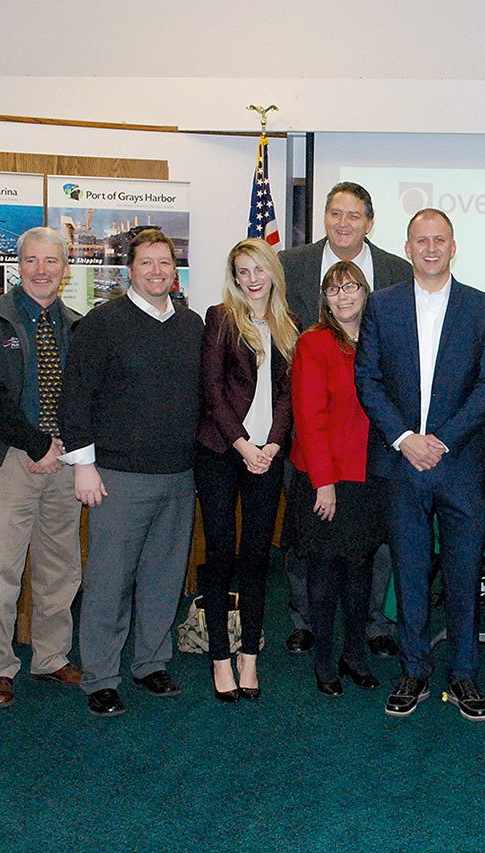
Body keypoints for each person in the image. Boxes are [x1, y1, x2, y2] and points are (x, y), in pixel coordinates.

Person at [354, 208, 485, 721]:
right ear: (409, 247)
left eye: (440, 240)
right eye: (422, 240)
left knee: (465, 577)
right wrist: (403, 438)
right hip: (401, 465)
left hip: (459, 464)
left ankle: (464, 676)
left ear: (453, 246)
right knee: (410, 573)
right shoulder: (382, 305)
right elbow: (367, 380)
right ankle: (413, 670)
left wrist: (441, 439)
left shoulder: (483, 308)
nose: (431, 248)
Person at [60, 228, 203, 717]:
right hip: (117, 477)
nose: (158, 271)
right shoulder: (102, 324)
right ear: (129, 271)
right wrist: (83, 466)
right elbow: (74, 398)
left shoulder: (192, 325)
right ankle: (100, 676)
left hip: (179, 475)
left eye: (166, 263)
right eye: (148, 263)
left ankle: (151, 662)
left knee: (164, 577)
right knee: (109, 581)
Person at [278, 182, 411, 659]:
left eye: (353, 215)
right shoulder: (290, 265)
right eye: (335, 213)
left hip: (374, 442)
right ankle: (305, 620)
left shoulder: (399, 270)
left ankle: (372, 622)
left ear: (369, 222)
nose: (343, 223)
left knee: (372, 542)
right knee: (309, 538)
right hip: (309, 434)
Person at [0, 226, 83, 708]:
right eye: (32, 261)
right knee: (0, 570)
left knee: (61, 567)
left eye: (51, 261)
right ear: (19, 265)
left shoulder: (77, 324)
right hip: (9, 459)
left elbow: (84, 395)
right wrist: (35, 446)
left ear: (65, 267)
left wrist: (64, 448)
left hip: (65, 460)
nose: (41, 270)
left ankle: (51, 656)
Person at [196, 238, 298, 702]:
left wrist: (273, 444)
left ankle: (249, 656)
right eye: (242, 271)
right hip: (221, 450)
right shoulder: (220, 318)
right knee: (221, 551)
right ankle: (220, 655)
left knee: (257, 556)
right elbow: (212, 390)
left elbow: (287, 395)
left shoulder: (289, 324)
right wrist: (242, 445)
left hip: (268, 455)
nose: (252, 279)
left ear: (272, 272)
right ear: (234, 277)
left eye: (259, 269)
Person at [289, 261, 385, 697]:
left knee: (361, 570)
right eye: (334, 289)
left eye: (351, 287)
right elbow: (308, 418)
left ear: (366, 292)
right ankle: (324, 660)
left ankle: (355, 655)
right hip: (324, 476)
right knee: (324, 573)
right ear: (324, 298)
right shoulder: (314, 342)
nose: (343, 296)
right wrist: (323, 483)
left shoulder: (379, 341)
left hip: (368, 475)